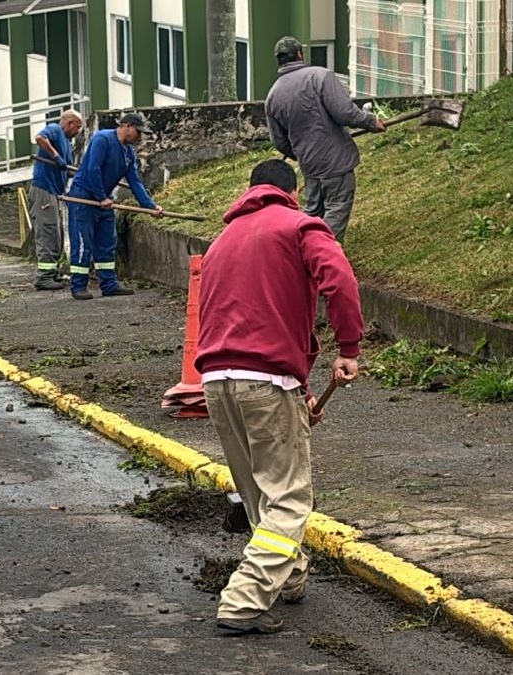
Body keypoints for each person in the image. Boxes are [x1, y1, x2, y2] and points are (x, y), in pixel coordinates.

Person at [195, 158, 364, 634]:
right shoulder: (299, 226)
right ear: (294, 190)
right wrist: (348, 348)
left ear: (249, 191)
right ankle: (244, 600)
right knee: (289, 498)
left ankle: (288, 578)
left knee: (257, 494)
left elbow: (246, 317)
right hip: (267, 381)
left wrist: (302, 392)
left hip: (216, 381)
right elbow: (341, 281)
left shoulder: (221, 242)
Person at [264, 36, 386, 244]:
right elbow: (344, 112)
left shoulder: (273, 96)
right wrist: (371, 121)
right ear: (300, 54)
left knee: (313, 211)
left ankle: (300, 251)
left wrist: (301, 152)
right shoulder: (320, 76)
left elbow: (279, 141)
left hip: (309, 164)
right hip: (335, 161)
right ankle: (320, 253)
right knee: (337, 208)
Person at [66, 112, 163, 299]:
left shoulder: (128, 153)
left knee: (107, 242)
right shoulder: (102, 139)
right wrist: (101, 196)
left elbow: (135, 182)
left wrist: (150, 206)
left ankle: (109, 283)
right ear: (126, 126)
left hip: (104, 200)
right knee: (83, 241)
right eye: (138, 131)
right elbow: (93, 169)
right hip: (84, 196)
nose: (139, 136)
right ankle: (78, 285)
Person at [29, 109, 84, 290]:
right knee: (47, 232)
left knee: (56, 233)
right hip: (44, 189)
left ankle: (52, 273)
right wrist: (55, 156)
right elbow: (39, 138)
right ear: (68, 123)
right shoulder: (55, 130)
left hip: (53, 192)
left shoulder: (67, 143)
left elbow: (65, 168)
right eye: (77, 127)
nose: (78, 131)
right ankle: (43, 277)